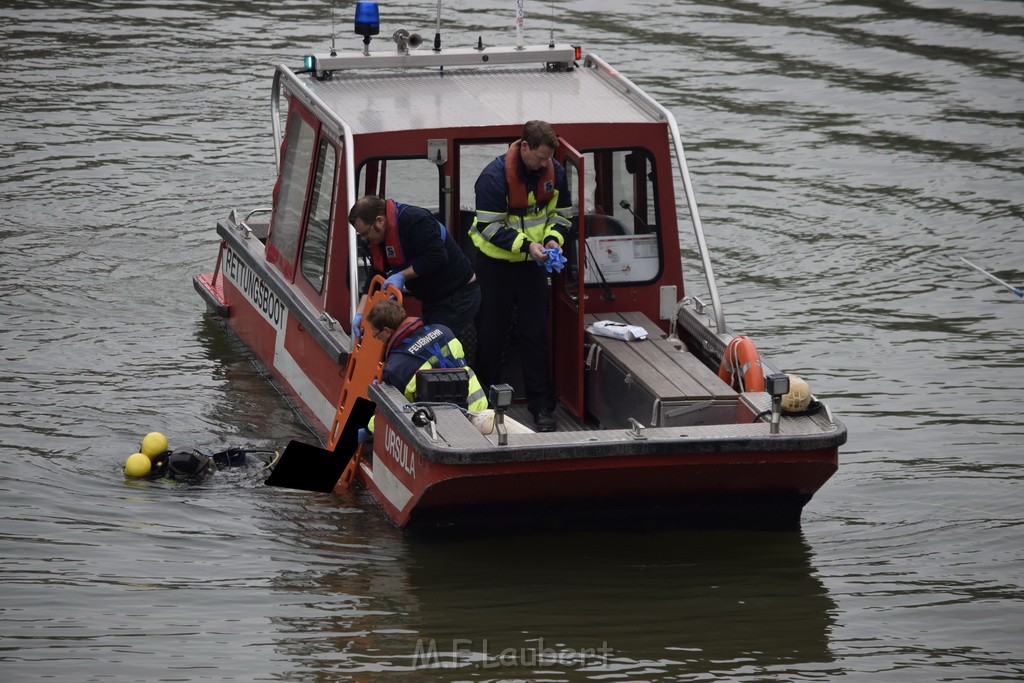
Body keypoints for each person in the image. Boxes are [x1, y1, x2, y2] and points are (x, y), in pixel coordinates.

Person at [469, 120, 572, 432]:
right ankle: (484, 405)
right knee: (490, 334)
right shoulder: (492, 178)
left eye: (548, 159)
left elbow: (562, 216)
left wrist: (554, 240)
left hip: (531, 266)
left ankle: (542, 408)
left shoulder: (556, 173)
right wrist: (530, 247)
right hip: (494, 264)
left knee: (535, 335)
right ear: (523, 146)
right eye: (539, 158)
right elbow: (489, 228)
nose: (544, 164)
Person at [348, 195, 480, 361]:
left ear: (380, 221)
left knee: (437, 353)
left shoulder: (415, 221)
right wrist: (360, 313)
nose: (365, 239)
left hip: (458, 297)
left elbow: (438, 256)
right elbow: (376, 273)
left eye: (365, 233)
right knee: (432, 350)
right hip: (432, 299)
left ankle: (457, 382)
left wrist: (402, 275)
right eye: (361, 235)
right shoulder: (379, 236)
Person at [365, 298, 488, 414]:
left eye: (376, 334)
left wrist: (367, 427)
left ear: (387, 331)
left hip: (442, 423)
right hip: (479, 406)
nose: (377, 338)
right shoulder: (444, 331)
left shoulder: (395, 369)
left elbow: (391, 411)